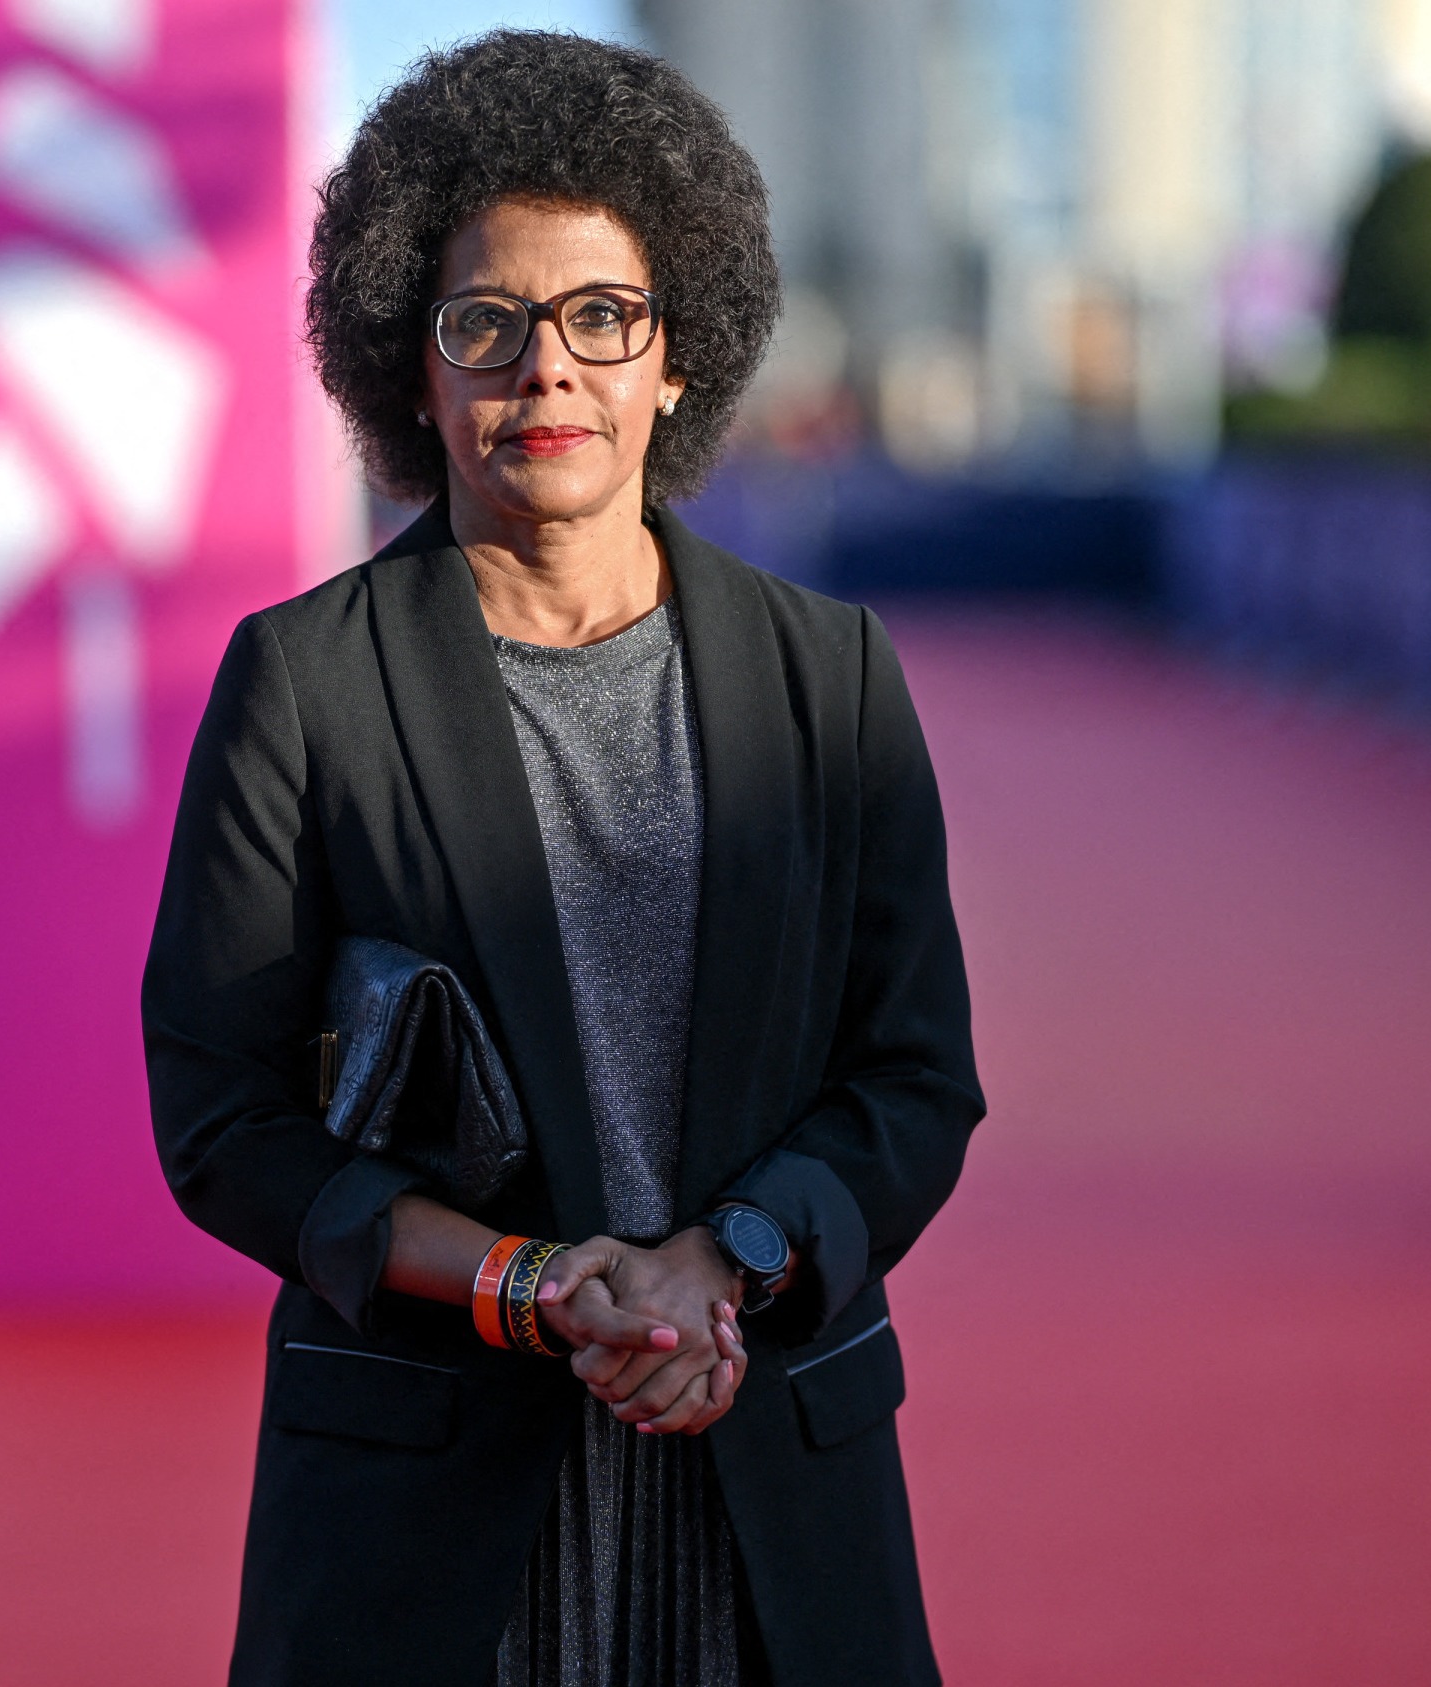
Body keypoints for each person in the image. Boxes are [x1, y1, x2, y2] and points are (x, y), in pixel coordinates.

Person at [143, 30, 984, 1687]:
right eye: (489, 326)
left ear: (679, 359)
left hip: (761, 1463)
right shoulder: (304, 683)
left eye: (605, 318)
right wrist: (524, 1283)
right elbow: (222, 1118)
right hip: (427, 1497)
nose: (551, 375)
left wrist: (725, 1267)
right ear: (415, 365)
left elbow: (914, 1081)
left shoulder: (833, 678)